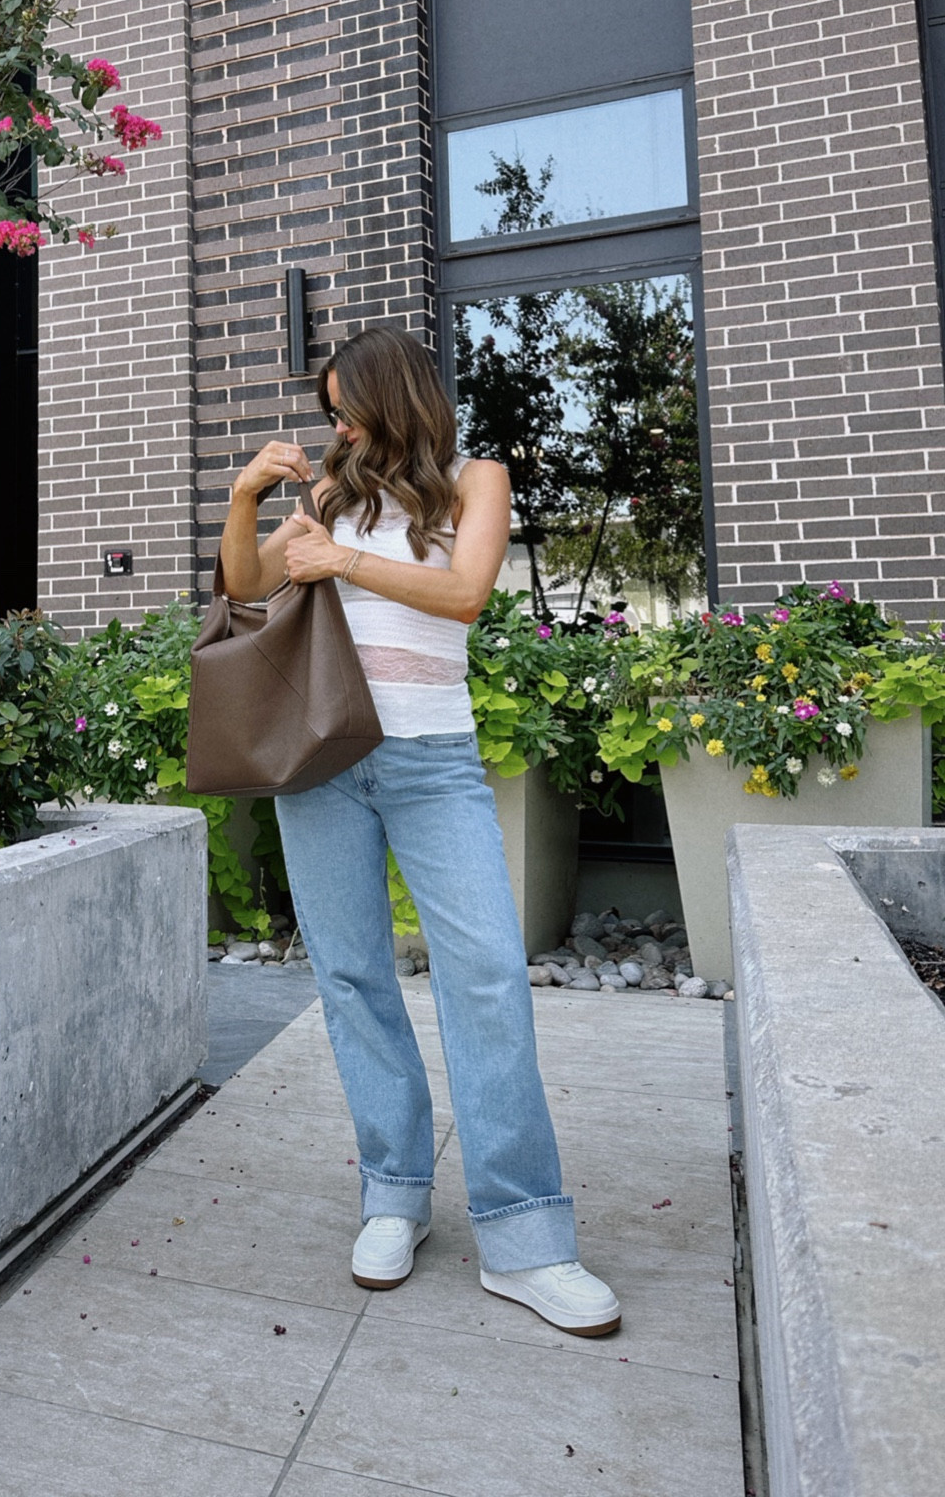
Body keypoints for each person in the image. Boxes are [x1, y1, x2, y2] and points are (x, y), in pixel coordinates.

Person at [218, 325, 622, 1336]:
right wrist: (243, 502)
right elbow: (242, 589)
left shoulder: (475, 482)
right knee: (351, 975)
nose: (336, 425)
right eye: (327, 412)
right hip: (322, 761)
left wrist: (340, 557)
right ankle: (392, 1193)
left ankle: (526, 1237)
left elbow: (465, 594)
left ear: (393, 395)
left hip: (434, 762)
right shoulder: (326, 495)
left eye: (345, 405)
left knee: (483, 969)